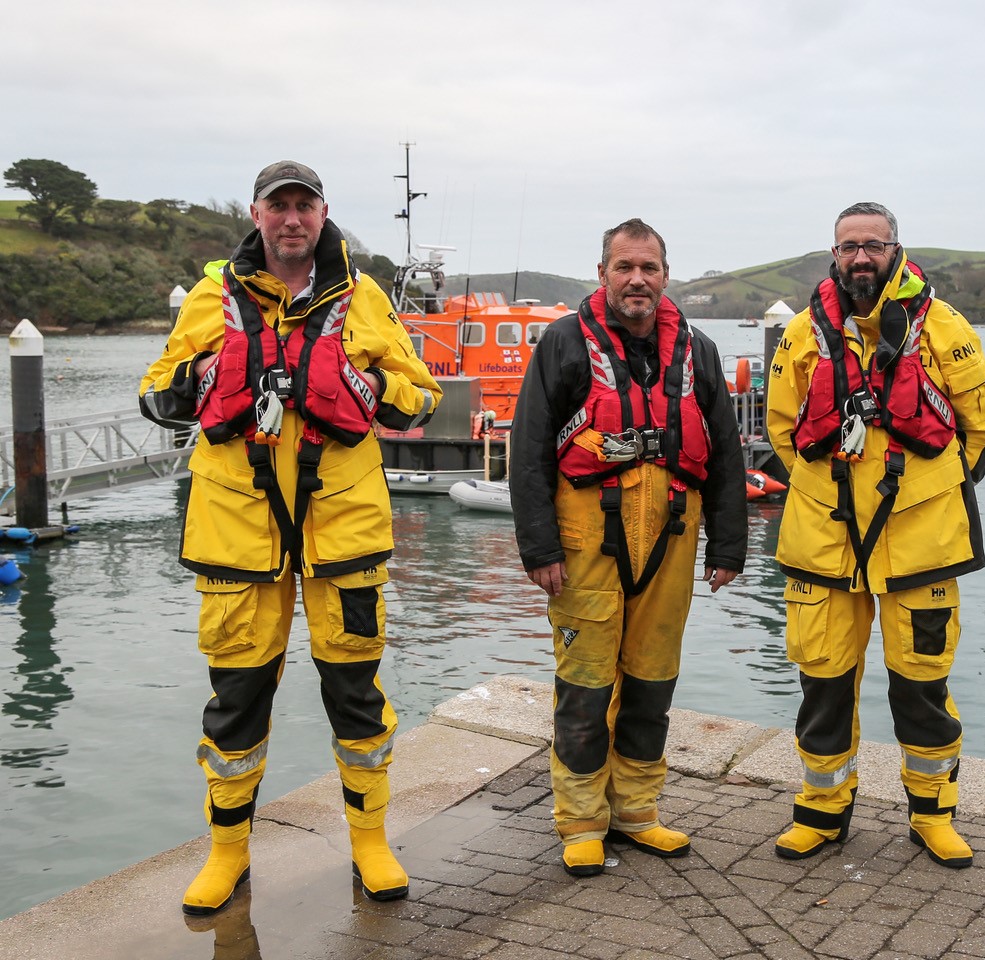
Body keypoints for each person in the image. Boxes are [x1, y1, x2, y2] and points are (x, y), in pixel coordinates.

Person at [140, 160, 442, 914]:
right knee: (235, 702)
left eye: (303, 206)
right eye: (279, 207)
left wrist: (365, 385)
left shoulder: (364, 297)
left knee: (356, 696)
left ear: (322, 213)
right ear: (256, 214)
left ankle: (371, 843)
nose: (292, 219)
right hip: (236, 531)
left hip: (343, 529)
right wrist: (204, 375)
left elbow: (419, 398)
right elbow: (156, 394)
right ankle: (226, 854)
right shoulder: (212, 297)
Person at [510, 218, 748, 877]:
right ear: (603, 275)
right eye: (624, 267)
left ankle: (637, 812)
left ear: (666, 276)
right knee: (585, 685)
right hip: (585, 541)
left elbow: (725, 451)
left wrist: (728, 545)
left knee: (650, 680)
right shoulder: (562, 343)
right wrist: (539, 548)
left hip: (671, 537)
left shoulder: (695, 350)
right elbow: (528, 452)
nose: (636, 279)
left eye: (648, 267)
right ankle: (582, 820)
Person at [766, 202, 985, 869]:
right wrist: (822, 494)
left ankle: (932, 816)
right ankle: (821, 812)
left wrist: (934, 498)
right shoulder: (803, 334)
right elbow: (783, 431)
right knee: (823, 682)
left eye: (873, 244)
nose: (860, 257)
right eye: (848, 246)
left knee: (921, 685)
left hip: (920, 541)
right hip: (824, 540)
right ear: (832, 254)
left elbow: (980, 426)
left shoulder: (943, 326)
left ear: (895, 248)